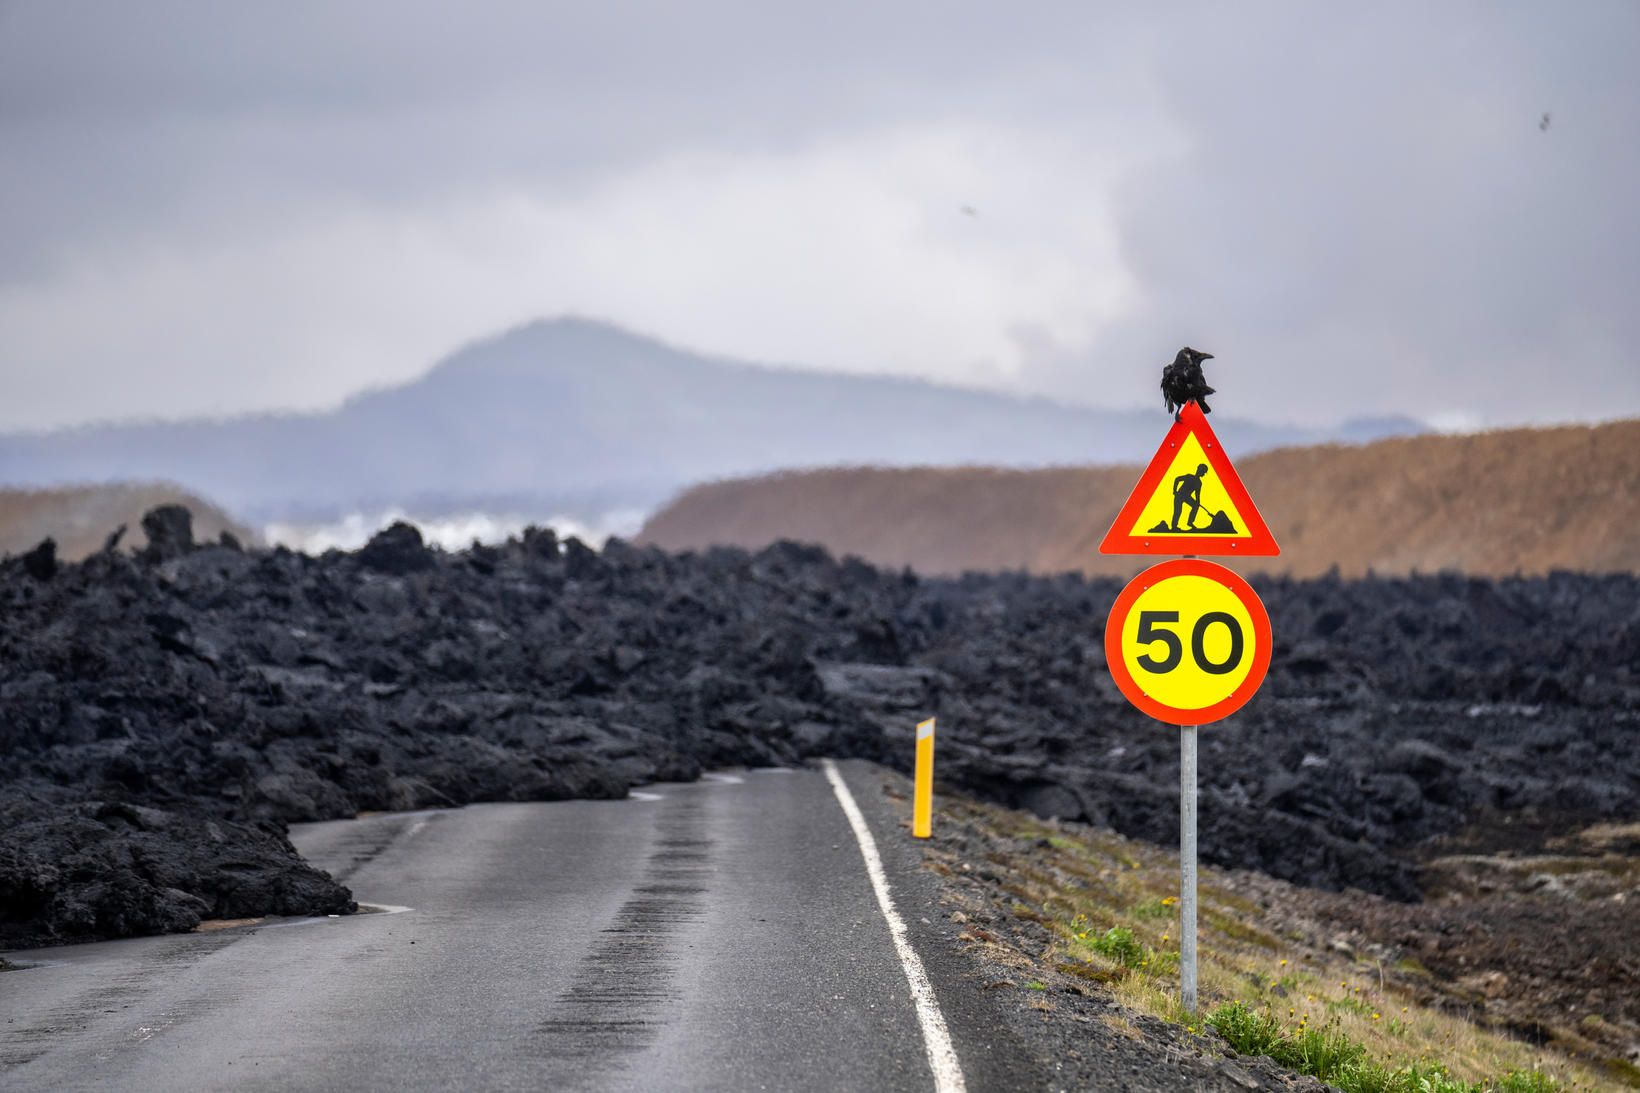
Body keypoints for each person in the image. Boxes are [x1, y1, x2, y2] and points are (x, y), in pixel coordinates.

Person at [1171, 464, 1208, 531]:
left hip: (1187, 497)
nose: (1204, 474)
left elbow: (1197, 494)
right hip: (1179, 496)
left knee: (1195, 506)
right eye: (1203, 472)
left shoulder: (1199, 483)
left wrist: (1197, 502)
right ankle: (1174, 527)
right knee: (1178, 511)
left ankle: (1190, 522)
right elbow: (1177, 479)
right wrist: (1174, 490)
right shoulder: (1189, 476)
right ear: (1200, 470)